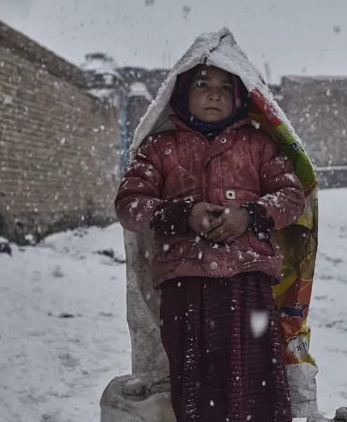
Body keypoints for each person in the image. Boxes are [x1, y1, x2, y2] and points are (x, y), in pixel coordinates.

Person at [114, 39, 306, 421]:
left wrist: (249, 215)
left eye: (224, 87)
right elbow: (130, 203)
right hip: (186, 289)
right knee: (199, 391)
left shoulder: (259, 146)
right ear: (182, 94)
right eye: (202, 84)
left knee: (257, 387)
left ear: (239, 97)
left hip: (249, 287)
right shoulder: (159, 149)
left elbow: (291, 196)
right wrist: (184, 214)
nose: (214, 94)